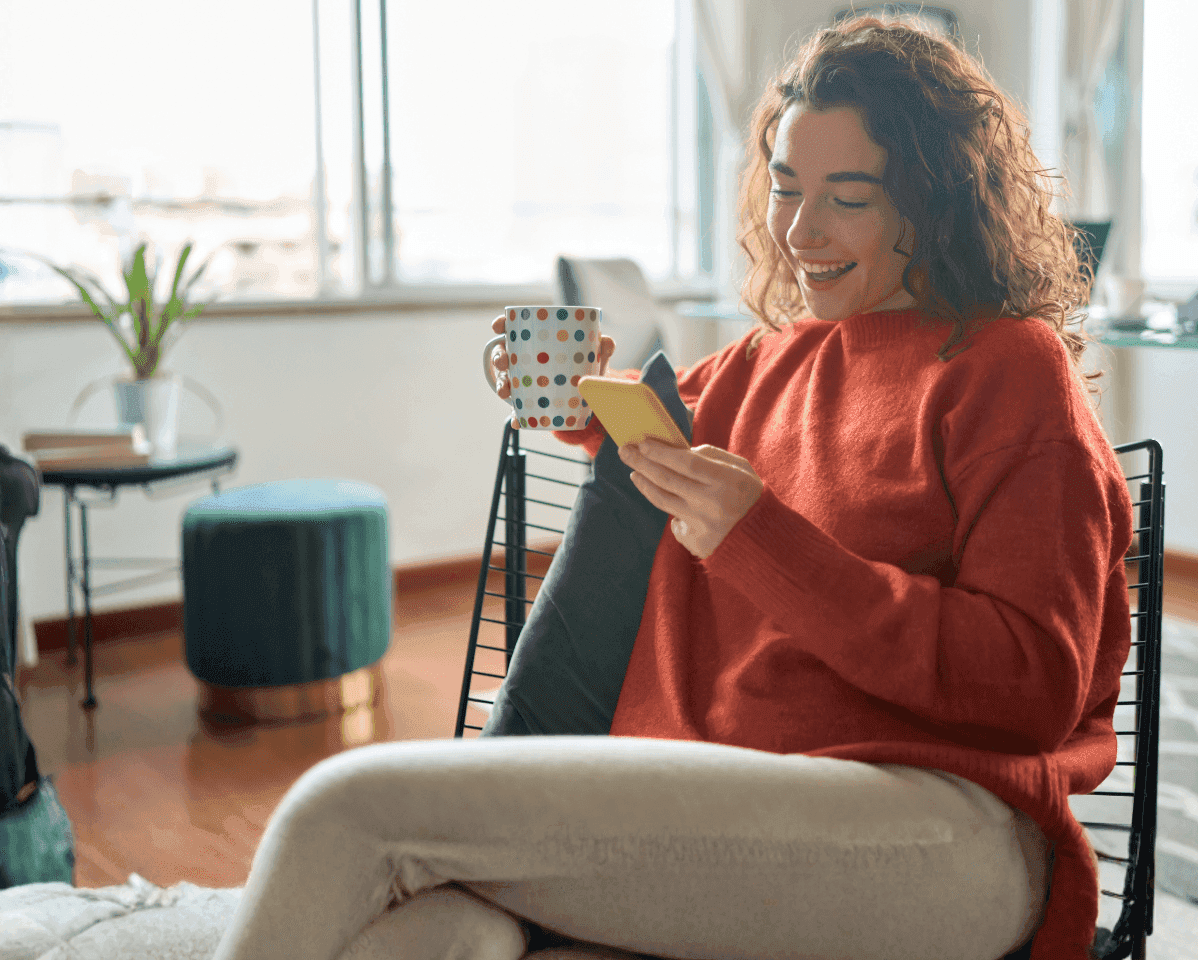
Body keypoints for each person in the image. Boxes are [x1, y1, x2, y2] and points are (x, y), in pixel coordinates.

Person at [210, 15, 1131, 960]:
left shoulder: (1005, 369)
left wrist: (761, 538)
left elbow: (1032, 682)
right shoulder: (764, 362)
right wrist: (581, 401)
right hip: (732, 807)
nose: (800, 230)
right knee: (439, 935)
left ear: (934, 203)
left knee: (349, 807)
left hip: (947, 834)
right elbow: (656, 435)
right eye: (784, 187)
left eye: (846, 198)